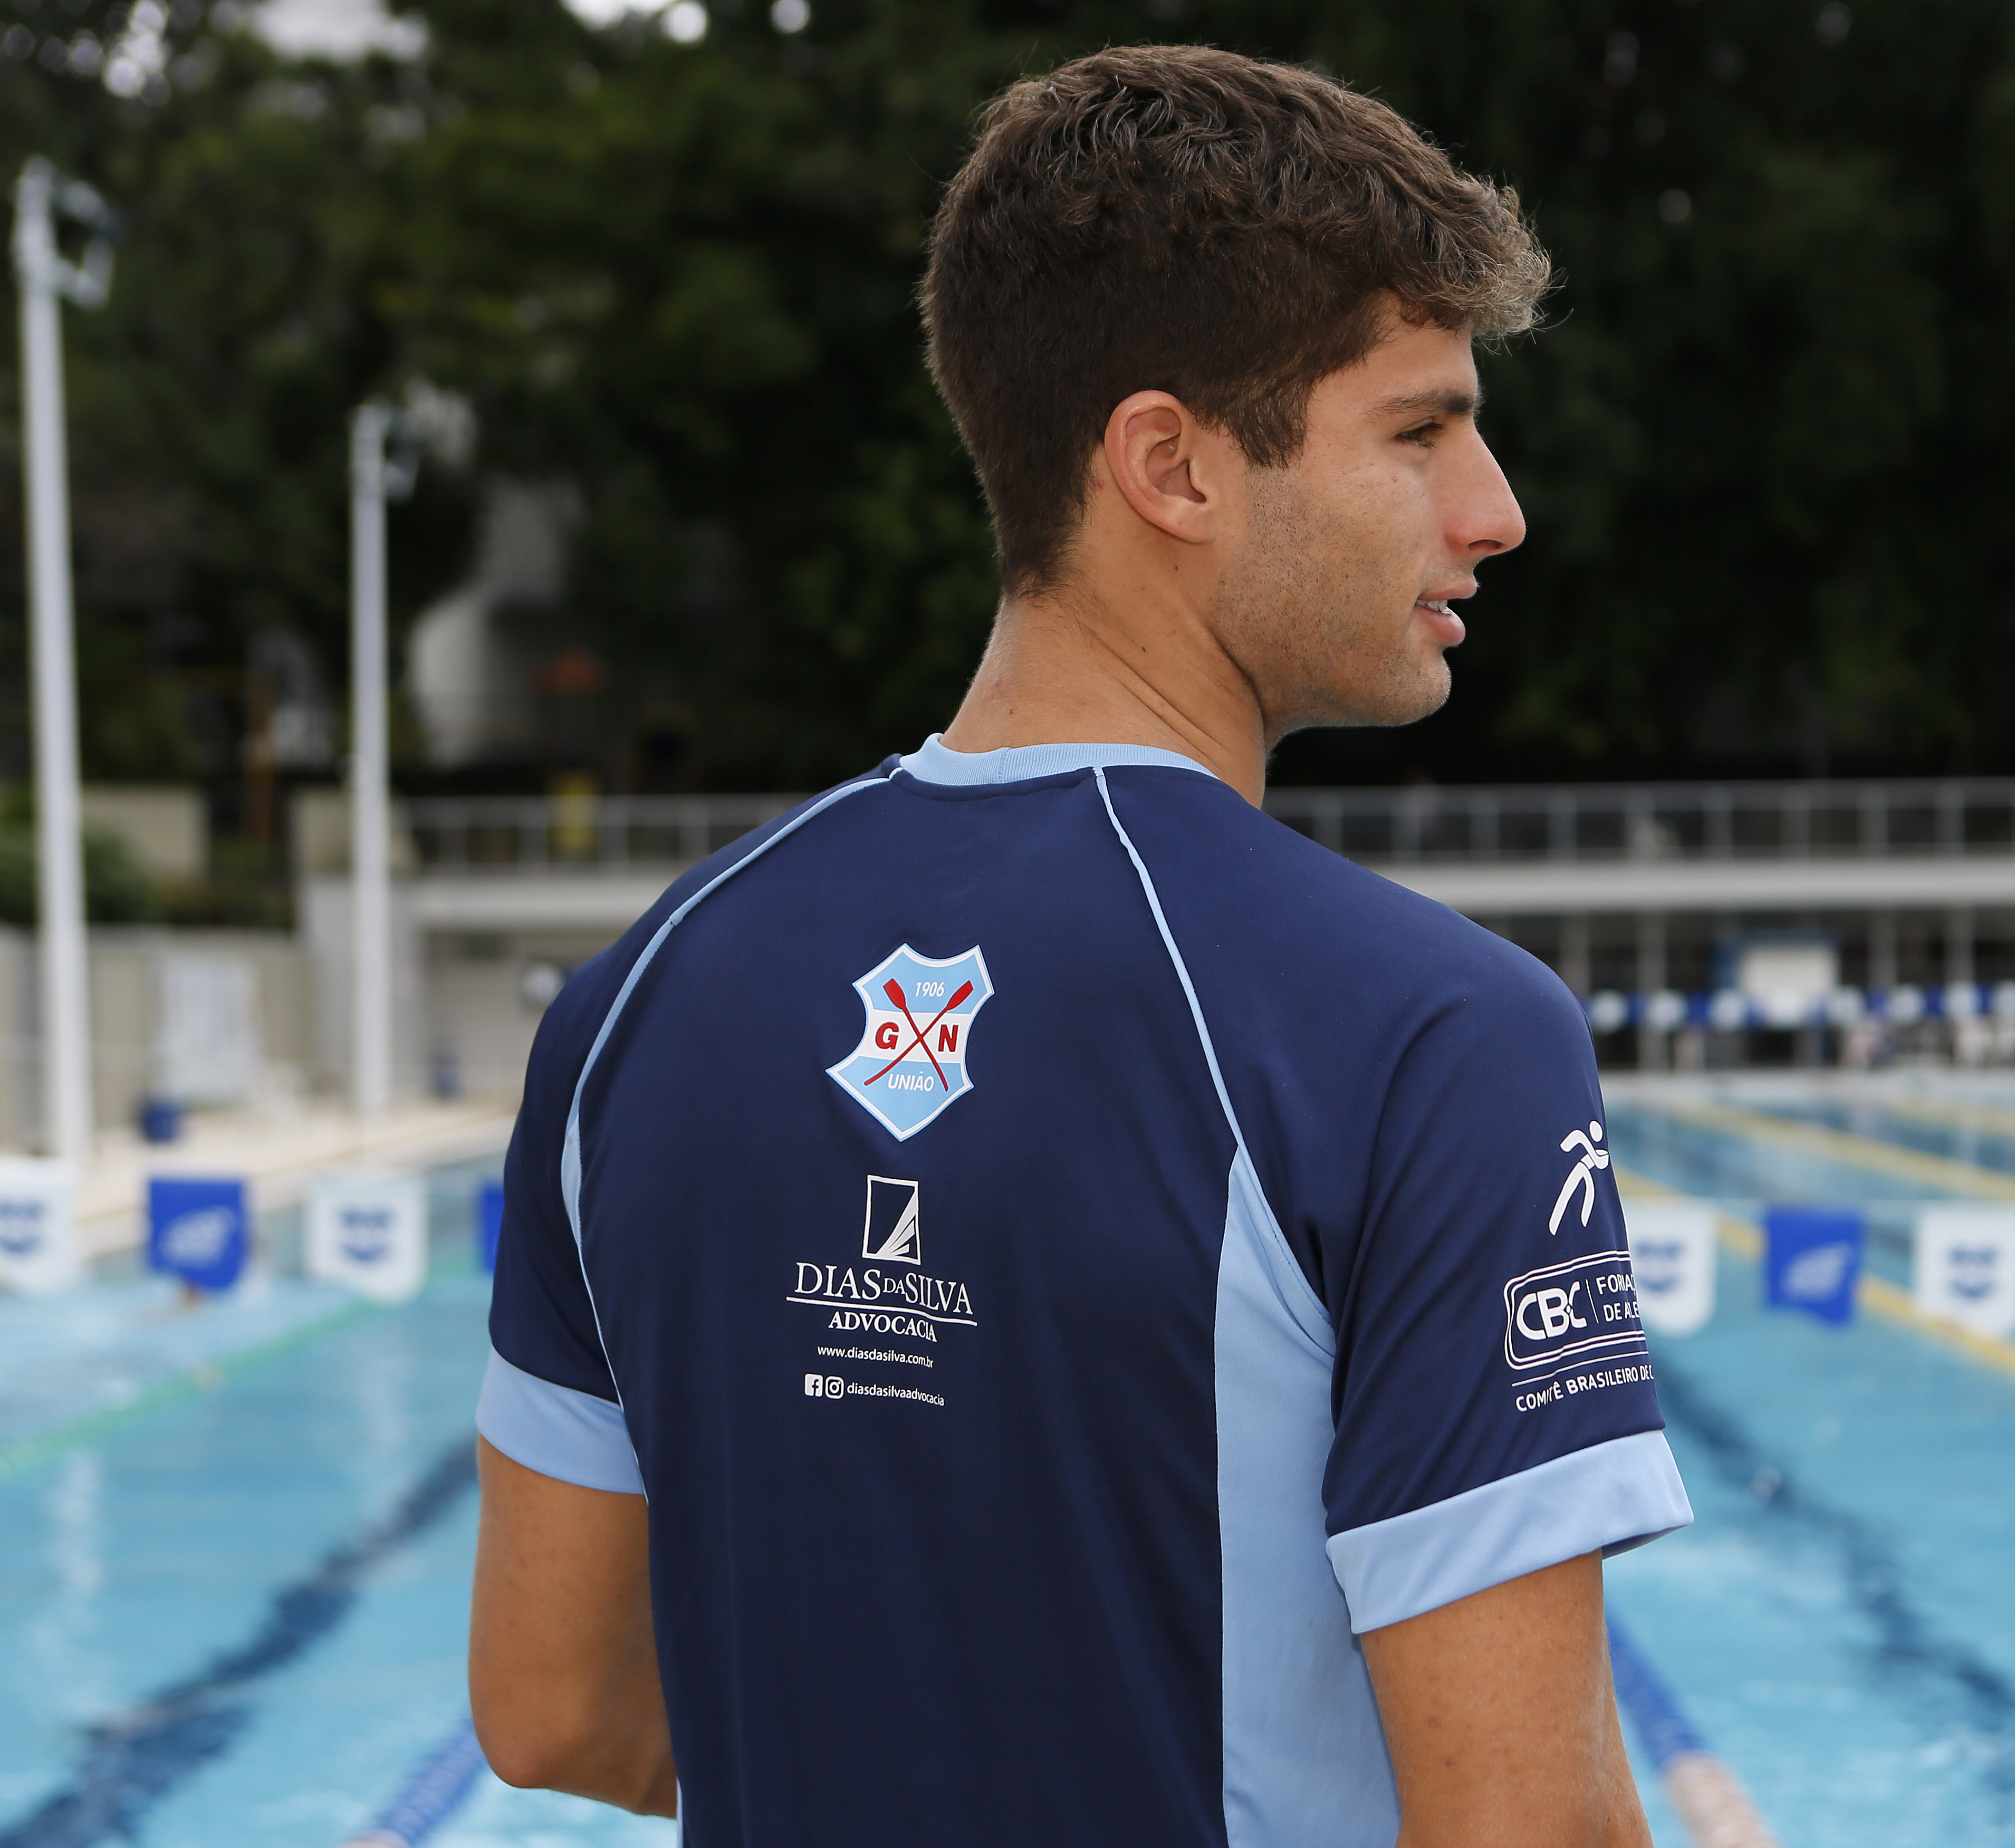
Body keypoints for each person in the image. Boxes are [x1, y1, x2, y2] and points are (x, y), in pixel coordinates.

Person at [468, 43, 1690, 1847]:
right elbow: (1533, 1831)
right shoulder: (1434, 1037)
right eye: (1422, 428)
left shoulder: (640, 998)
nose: (1494, 505)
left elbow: (553, 1710)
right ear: (1170, 466)